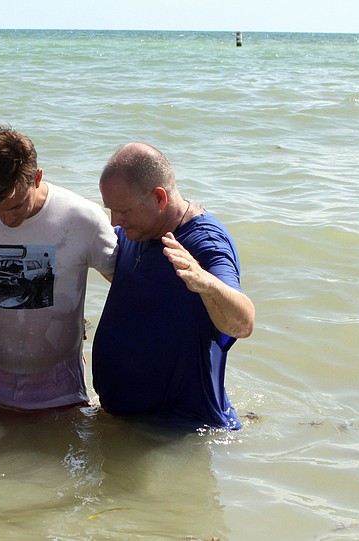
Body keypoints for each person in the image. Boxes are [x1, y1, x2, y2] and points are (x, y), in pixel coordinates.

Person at [0, 124, 117, 409]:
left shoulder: (83, 219)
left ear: (37, 178)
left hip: (61, 386)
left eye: (17, 207)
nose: (7, 221)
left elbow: (127, 286)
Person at [92, 142, 255, 430]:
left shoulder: (205, 243)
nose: (115, 221)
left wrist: (205, 282)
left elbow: (243, 324)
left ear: (158, 198)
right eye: (111, 210)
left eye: (123, 211)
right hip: (129, 426)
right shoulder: (138, 230)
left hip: (178, 432)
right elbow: (138, 285)